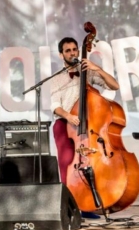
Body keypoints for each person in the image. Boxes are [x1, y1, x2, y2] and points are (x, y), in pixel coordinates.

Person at [50, 37, 119, 218]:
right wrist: (69, 116)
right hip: (64, 123)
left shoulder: (87, 72)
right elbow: (55, 106)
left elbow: (114, 85)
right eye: (68, 50)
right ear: (61, 54)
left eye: (74, 49)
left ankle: (88, 205)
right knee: (67, 165)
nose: (72, 53)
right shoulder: (56, 78)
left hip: (87, 125)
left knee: (90, 163)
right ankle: (70, 208)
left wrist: (98, 69)